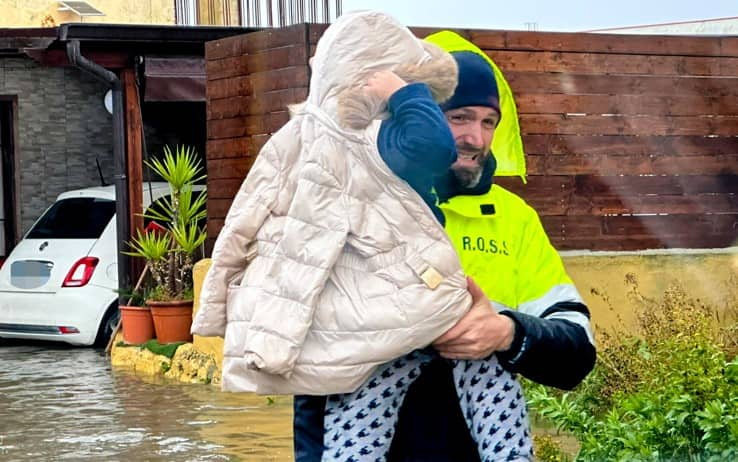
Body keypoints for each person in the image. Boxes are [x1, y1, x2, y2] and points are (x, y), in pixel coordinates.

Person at [293, 31, 597, 462]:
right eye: (459, 118)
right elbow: (310, 370)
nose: (475, 136)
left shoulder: (515, 220)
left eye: (488, 122)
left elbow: (577, 350)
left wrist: (507, 332)